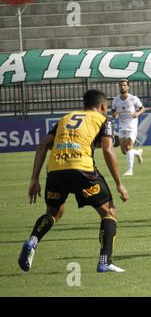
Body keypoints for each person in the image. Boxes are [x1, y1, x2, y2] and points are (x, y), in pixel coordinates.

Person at [18, 89, 129, 272]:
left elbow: (44, 144)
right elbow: (108, 150)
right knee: (108, 211)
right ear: (103, 106)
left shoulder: (65, 118)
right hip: (82, 169)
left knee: (54, 212)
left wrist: (34, 179)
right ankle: (105, 261)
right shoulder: (103, 120)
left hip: (55, 170)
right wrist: (119, 183)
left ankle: (33, 241)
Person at [111, 79, 145, 176]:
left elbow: (143, 109)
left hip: (131, 126)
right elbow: (113, 112)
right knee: (124, 151)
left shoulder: (133, 98)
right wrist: (115, 114)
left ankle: (130, 170)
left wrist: (137, 113)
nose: (123, 87)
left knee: (129, 147)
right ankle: (138, 153)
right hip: (122, 126)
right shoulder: (116, 100)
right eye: (121, 85)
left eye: (124, 85)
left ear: (128, 87)